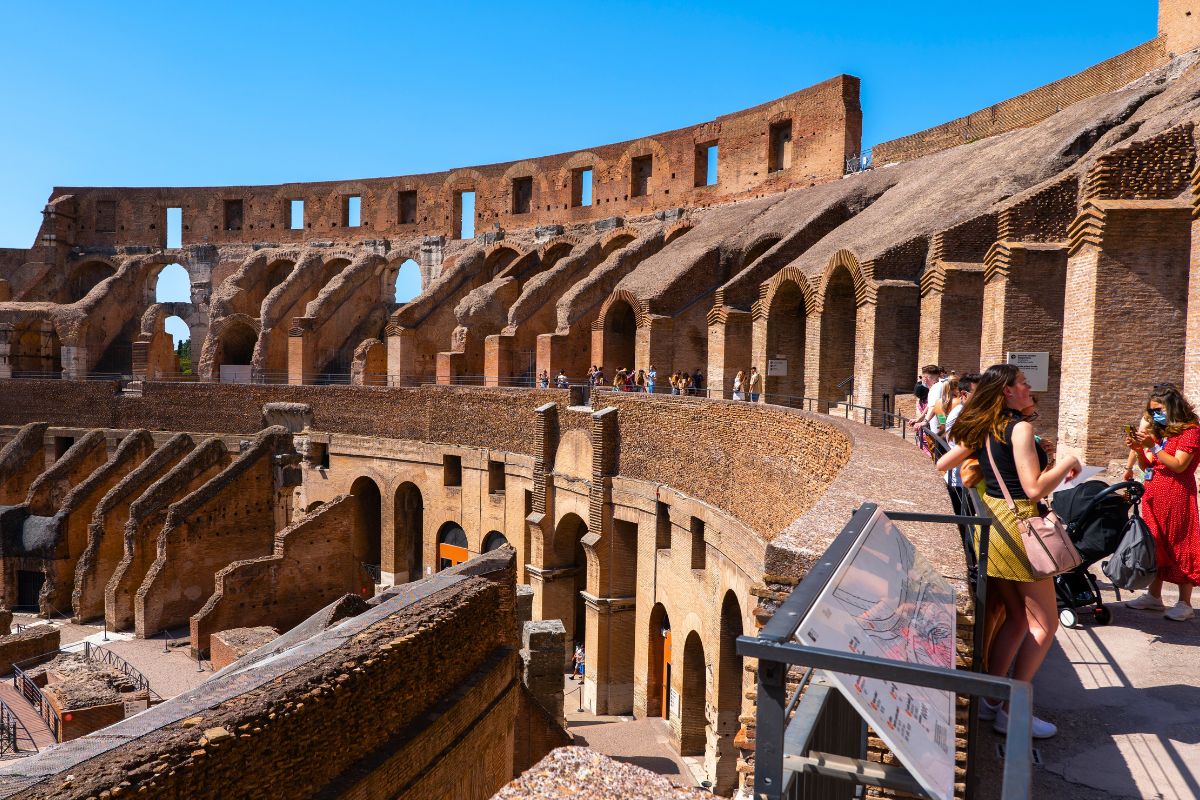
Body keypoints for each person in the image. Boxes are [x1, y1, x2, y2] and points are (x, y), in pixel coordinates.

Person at [937, 364, 1081, 739]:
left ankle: (989, 698)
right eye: (1021, 382)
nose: (1028, 385)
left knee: (1017, 618)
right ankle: (1011, 709)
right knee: (1045, 625)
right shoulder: (1019, 428)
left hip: (995, 527)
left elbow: (942, 463)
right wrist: (1066, 462)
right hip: (1021, 529)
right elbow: (1033, 490)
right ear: (1007, 392)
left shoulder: (985, 426)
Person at [1123, 383, 1200, 621]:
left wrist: (1153, 447)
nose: (1156, 415)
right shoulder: (1163, 433)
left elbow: (1178, 465)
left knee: (1180, 543)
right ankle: (1154, 596)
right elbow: (1149, 466)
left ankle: (1184, 602)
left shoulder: (1191, 431)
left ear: (1173, 407)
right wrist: (1138, 450)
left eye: (1159, 410)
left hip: (1177, 494)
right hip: (1154, 493)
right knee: (1155, 543)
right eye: (1153, 410)